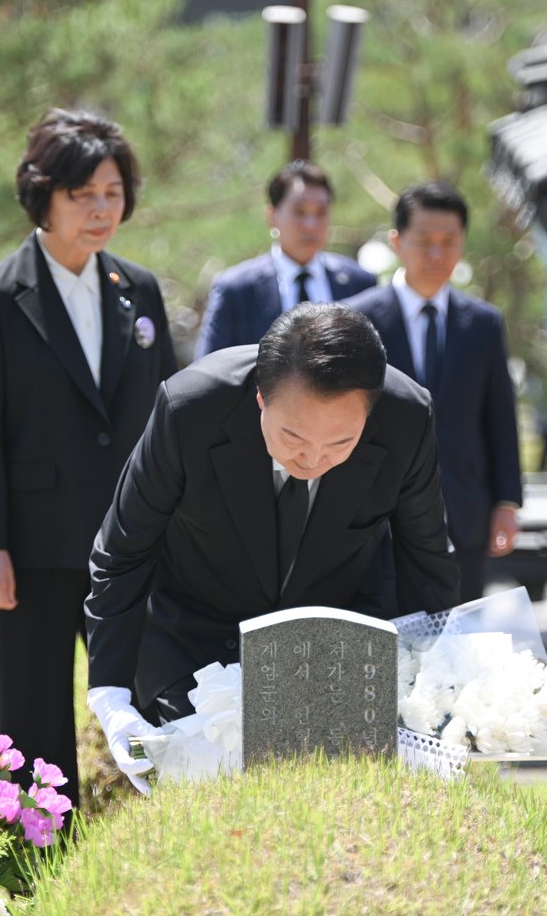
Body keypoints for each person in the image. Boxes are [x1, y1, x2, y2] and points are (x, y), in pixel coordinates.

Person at [84, 303, 460, 791]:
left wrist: (439, 683)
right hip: (195, 634)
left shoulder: (408, 415)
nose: (314, 458)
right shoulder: (190, 408)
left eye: (340, 444)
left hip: (329, 638)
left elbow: (425, 556)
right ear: (260, 397)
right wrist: (111, 698)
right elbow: (123, 551)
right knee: (205, 797)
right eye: (293, 437)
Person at [0, 109, 176, 811]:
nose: (102, 208)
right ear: (42, 197)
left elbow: (168, 418)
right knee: (34, 714)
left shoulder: (138, 289)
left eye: (113, 191)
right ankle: (38, 865)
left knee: (151, 701)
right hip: (34, 545)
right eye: (83, 195)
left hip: (133, 541)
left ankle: (151, 846)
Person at [345, 181, 522, 602]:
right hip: (375, 513)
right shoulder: (358, 319)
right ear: (397, 241)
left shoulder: (483, 323)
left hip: (463, 509)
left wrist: (507, 502)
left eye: (449, 241)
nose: (437, 254)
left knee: (459, 643)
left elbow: (499, 416)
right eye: (424, 241)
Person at [193, 161, 376, 357]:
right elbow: (210, 370)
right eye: (299, 212)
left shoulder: (359, 284)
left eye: (321, 212)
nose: (311, 225)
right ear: (272, 216)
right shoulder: (237, 289)